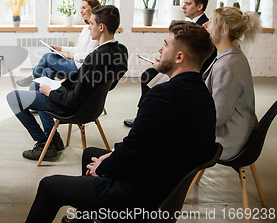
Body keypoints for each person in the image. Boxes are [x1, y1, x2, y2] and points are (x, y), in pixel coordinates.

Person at [25, 21, 216, 223]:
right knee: (90, 154)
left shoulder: (164, 95)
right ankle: (87, 219)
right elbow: (148, 144)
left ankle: (102, 210)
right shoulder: (202, 95)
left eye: (166, 44)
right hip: (163, 180)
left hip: (139, 195)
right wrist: (109, 157)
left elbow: (134, 151)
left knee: (49, 186)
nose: (160, 49)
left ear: (179, 57)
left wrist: (104, 167)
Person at [7, 5, 128, 161]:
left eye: (91, 23)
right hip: (92, 106)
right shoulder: (121, 51)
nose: (89, 27)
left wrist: (51, 92)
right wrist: (69, 81)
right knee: (35, 85)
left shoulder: (95, 57)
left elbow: (74, 100)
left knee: (13, 97)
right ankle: (54, 138)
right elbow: (106, 84)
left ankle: (44, 143)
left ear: (101, 27)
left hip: (76, 109)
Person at [123, 0, 215, 128]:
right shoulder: (194, 25)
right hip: (184, 64)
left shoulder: (203, 28)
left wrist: (167, 64)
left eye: (188, 4)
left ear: (199, 6)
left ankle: (144, 116)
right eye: (184, 3)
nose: (183, 7)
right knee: (149, 74)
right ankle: (144, 114)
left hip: (190, 69)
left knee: (148, 75)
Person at [203, 7, 261, 160]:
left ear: (224, 31)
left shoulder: (227, 65)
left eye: (211, 22)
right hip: (239, 131)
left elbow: (218, 116)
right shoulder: (233, 55)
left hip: (230, 140)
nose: (205, 25)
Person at [16, 0, 101, 87]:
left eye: (84, 8)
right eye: (81, 8)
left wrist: (70, 56)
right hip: (74, 62)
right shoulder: (85, 29)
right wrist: (60, 49)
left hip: (80, 67)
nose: (81, 11)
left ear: (93, 9)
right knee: (47, 71)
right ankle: (45, 94)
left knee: (47, 57)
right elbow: (79, 49)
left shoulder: (96, 31)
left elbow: (89, 56)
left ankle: (32, 77)